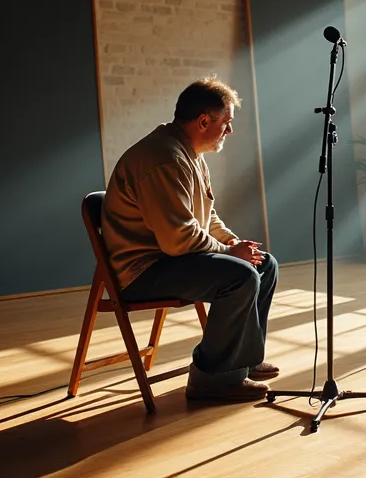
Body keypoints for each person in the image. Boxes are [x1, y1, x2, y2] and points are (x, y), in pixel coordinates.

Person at [101, 76, 279, 402]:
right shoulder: (165, 159)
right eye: (226, 123)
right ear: (203, 121)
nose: (230, 131)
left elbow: (207, 219)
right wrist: (230, 253)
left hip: (172, 259)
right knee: (238, 277)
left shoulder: (190, 153)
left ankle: (243, 361)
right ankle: (212, 381)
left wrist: (238, 246)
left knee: (264, 265)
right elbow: (178, 240)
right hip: (144, 271)